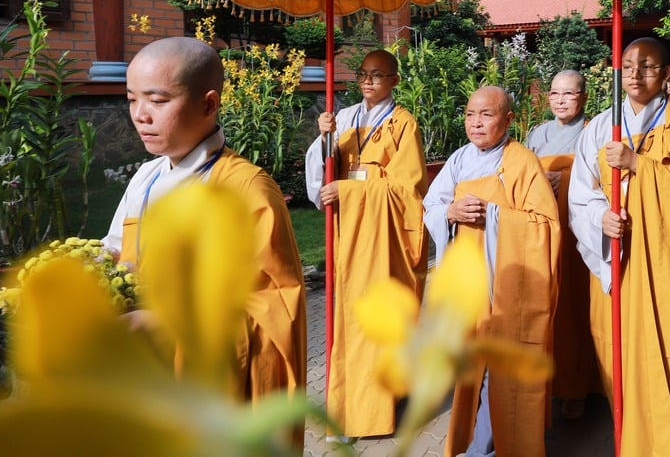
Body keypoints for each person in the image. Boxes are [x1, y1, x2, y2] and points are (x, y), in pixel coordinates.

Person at [104, 37, 307, 423]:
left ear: (209, 103)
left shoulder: (247, 188)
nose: (140, 115)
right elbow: (116, 253)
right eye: (132, 99)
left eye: (158, 101)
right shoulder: (146, 177)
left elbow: (275, 308)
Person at [569, 38, 670, 456]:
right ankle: (630, 439)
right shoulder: (601, 127)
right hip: (617, 257)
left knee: (669, 352)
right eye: (629, 66)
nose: (636, 75)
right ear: (618, 72)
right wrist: (601, 216)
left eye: (649, 67)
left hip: (667, 264)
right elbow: (582, 193)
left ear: (667, 75)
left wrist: (639, 165)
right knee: (620, 357)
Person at [423, 85, 561, 457]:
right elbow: (432, 202)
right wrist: (449, 213)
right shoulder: (459, 159)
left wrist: (494, 214)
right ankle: (478, 441)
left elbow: (545, 225)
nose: (476, 123)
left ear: (508, 120)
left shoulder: (522, 162)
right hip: (467, 282)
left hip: (505, 282)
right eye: (470, 114)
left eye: (486, 115)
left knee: (496, 369)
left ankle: (483, 448)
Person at [304, 48, 428, 438]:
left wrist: (352, 190)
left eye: (378, 75)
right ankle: (349, 401)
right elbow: (325, 168)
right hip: (347, 231)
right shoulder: (343, 118)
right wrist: (324, 138)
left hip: (380, 236)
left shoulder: (404, 123)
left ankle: (370, 410)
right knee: (347, 318)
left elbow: (407, 188)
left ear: (394, 80)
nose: (368, 81)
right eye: (362, 74)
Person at [525, 69, 597, 421]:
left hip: (575, 235)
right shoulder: (537, 134)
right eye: (554, 94)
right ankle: (545, 382)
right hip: (539, 231)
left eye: (569, 94)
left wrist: (563, 179)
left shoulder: (592, 132)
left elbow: (602, 183)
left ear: (583, 97)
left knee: (573, 307)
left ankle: (575, 387)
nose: (560, 100)